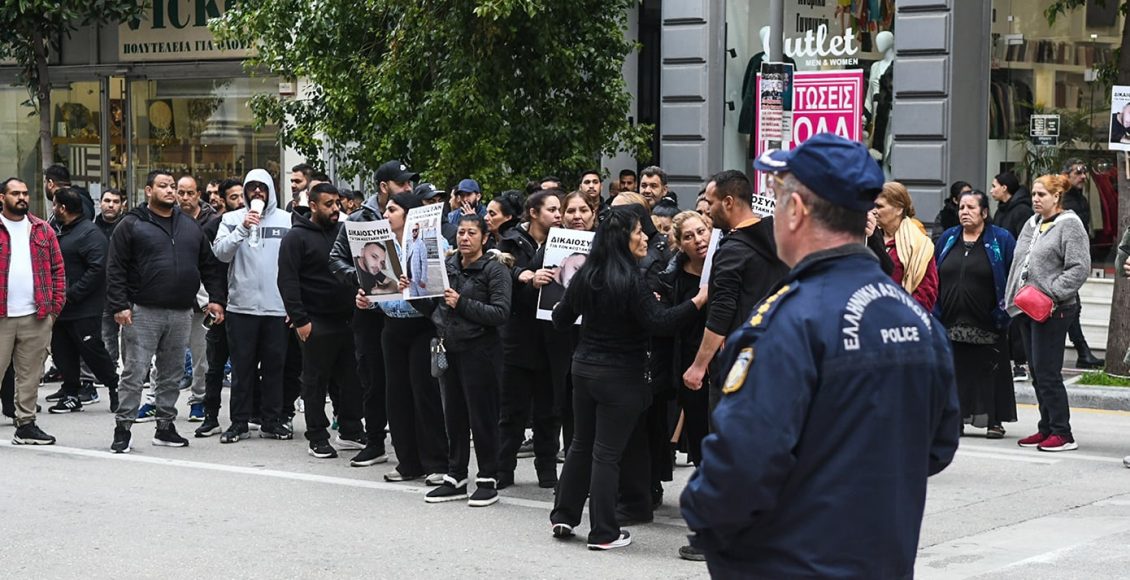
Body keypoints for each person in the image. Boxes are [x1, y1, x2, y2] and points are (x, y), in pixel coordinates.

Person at [681, 132, 960, 578]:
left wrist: (706, 519)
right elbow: (938, 446)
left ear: (795, 211)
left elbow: (738, 466)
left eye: (779, 195)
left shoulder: (788, 322)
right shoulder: (915, 319)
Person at [550, 206, 708, 550]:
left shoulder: (588, 273)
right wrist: (697, 301)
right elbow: (661, 322)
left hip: (584, 370)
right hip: (620, 376)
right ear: (623, 238)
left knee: (581, 444)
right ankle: (604, 532)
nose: (644, 238)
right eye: (639, 232)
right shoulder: (632, 280)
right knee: (606, 454)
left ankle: (564, 515)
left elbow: (561, 317)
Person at [105, 169, 226, 453]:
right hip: (142, 311)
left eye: (173, 186)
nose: (171, 191)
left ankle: (165, 427)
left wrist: (217, 299)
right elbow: (115, 268)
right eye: (164, 186)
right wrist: (120, 305)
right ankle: (123, 428)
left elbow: (209, 265)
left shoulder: (190, 226)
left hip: (182, 311)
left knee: (171, 373)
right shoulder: (131, 224)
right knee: (135, 371)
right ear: (149, 191)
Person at [411, 214, 512, 506]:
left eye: (471, 233)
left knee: (482, 416)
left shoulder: (494, 269)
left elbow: (500, 313)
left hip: (480, 351)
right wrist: (413, 292)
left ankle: (487, 478)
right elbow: (432, 308)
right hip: (448, 347)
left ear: (484, 238)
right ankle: (455, 475)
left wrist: (462, 303)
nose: (464, 238)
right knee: (452, 414)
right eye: (461, 233)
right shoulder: (447, 265)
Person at [328, 161, 416, 467]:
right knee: (372, 379)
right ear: (384, 187)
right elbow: (336, 259)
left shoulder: (415, 218)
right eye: (402, 184)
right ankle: (375, 441)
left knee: (408, 382)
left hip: (408, 316)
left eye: (410, 184)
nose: (408, 188)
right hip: (370, 311)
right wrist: (364, 281)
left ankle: (412, 447)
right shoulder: (357, 219)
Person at [1004, 174, 1091, 452]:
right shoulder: (1033, 223)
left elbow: (1079, 267)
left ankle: (1062, 433)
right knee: (1036, 372)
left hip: (1056, 310)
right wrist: (1013, 297)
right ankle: (1046, 427)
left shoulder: (1070, 225)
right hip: (1027, 307)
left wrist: (1051, 293)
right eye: (1033, 194)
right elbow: (1020, 262)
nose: (1035, 199)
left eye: (1042, 194)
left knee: (1048, 371)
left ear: (1057, 197)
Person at [278, 183, 366, 458]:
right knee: (315, 382)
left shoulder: (344, 232)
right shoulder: (296, 237)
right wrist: (301, 320)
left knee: (352, 378)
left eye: (337, 203)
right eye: (328, 204)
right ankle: (317, 435)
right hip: (315, 321)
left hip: (348, 318)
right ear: (313, 206)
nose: (335, 209)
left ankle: (351, 429)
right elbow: (287, 280)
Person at [212, 169, 294, 442]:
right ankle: (239, 422)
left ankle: (271, 420)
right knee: (242, 369)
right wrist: (243, 228)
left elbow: (295, 263)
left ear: (271, 189)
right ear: (245, 191)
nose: (257, 192)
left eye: (262, 187)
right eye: (252, 187)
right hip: (241, 307)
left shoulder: (287, 220)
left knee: (274, 368)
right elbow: (221, 254)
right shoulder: (231, 219)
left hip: (276, 308)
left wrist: (293, 306)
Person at [370, 193, 447, 483]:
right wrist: (368, 299)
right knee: (396, 395)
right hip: (393, 326)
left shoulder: (432, 242)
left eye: (392, 209)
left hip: (423, 325)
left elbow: (439, 286)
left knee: (424, 394)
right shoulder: (382, 248)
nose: (386, 214)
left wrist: (414, 284)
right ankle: (408, 461)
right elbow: (379, 289)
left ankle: (437, 461)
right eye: (385, 209)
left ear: (409, 214)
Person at [497, 190, 565, 489]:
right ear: (534, 213)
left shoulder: (566, 241)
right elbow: (501, 279)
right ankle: (502, 469)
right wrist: (525, 277)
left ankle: (547, 470)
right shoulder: (510, 242)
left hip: (552, 339)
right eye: (552, 209)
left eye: (560, 209)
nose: (559, 215)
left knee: (549, 412)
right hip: (519, 338)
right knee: (512, 410)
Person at [935, 189, 1017, 438]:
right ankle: (955, 418)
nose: (964, 212)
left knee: (988, 370)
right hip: (950, 318)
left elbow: (1012, 276)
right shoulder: (948, 238)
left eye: (971, 208)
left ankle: (994, 420)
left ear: (984, 212)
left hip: (988, 319)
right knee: (956, 371)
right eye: (961, 207)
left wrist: (1002, 311)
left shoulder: (1000, 239)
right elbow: (935, 273)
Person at [0, 177, 65, 444]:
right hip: (2, 316)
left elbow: (58, 270)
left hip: (35, 316)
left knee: (30, 376)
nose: (22, 197)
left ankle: (25, 425)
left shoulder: (41, 229)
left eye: (25, 193)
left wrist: (53, 310)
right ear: (2, 198)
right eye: (15, 193)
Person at [47, 187, 121, 414]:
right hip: (61, 307)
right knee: (62, 351)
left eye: (55, 205)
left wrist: (73, 293)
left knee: (92, 351)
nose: (53, 209)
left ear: (63, 208)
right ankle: (70, 393)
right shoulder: (62, 230)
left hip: (84, 308)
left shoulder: (90, 233)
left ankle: (114, 386)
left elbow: (98, 269)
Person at [657, 211, 712, 467]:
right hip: (687, 360)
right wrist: (697, 301)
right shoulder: (672, 277)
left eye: (701, 232)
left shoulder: (725, 265)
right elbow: (668, 320)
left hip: (721, 358)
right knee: (698, 428)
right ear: (680, 244)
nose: (698, 240)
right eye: (689, 237)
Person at [195, 179, 243, 438]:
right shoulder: (213, 227)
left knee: (245, 365)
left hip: (246, 305)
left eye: (241, 195)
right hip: (219, 304)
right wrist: (209, 302)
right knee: (215, 366)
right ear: (224, 200)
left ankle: (249, 415)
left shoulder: (256, 225)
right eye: (234, 197)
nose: (240, 201)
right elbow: (203, 267)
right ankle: (210, 416)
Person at [175, 175, 216, 421]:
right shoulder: (168, 219)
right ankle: (157, 401)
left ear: (198, 194)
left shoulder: (211, 222)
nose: (185, 198)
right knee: (165, 356)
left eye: (190, 193)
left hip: (203, 302)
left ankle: (199, 400)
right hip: (172, 299)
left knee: (202, 358)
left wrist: (213, 299)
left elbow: (212, 265)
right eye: (181, 192)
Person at [1060, 160, 1104, 369]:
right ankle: (1082, 351)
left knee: (1072, 308)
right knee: (1071, 307)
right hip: (1062, 264)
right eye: (1078, 172)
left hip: (1075, 261)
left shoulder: (1080, 199)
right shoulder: (1061, 200)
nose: (1083, 176)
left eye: (1085, 172)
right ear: (1066, 175)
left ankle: (1082, 352)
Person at [874, 181, 939, 311]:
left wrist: (900, 314)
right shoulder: (868, 237)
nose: (874, 211)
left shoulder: (919, 244)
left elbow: (927, 292)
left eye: (879, 206)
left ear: (898, 209)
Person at [991, 171, 1032, 240]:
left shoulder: (1023, 211)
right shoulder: (1000, 210)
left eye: (994, 186)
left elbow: (1025, 240)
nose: (991, 191)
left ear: (1004, 188)